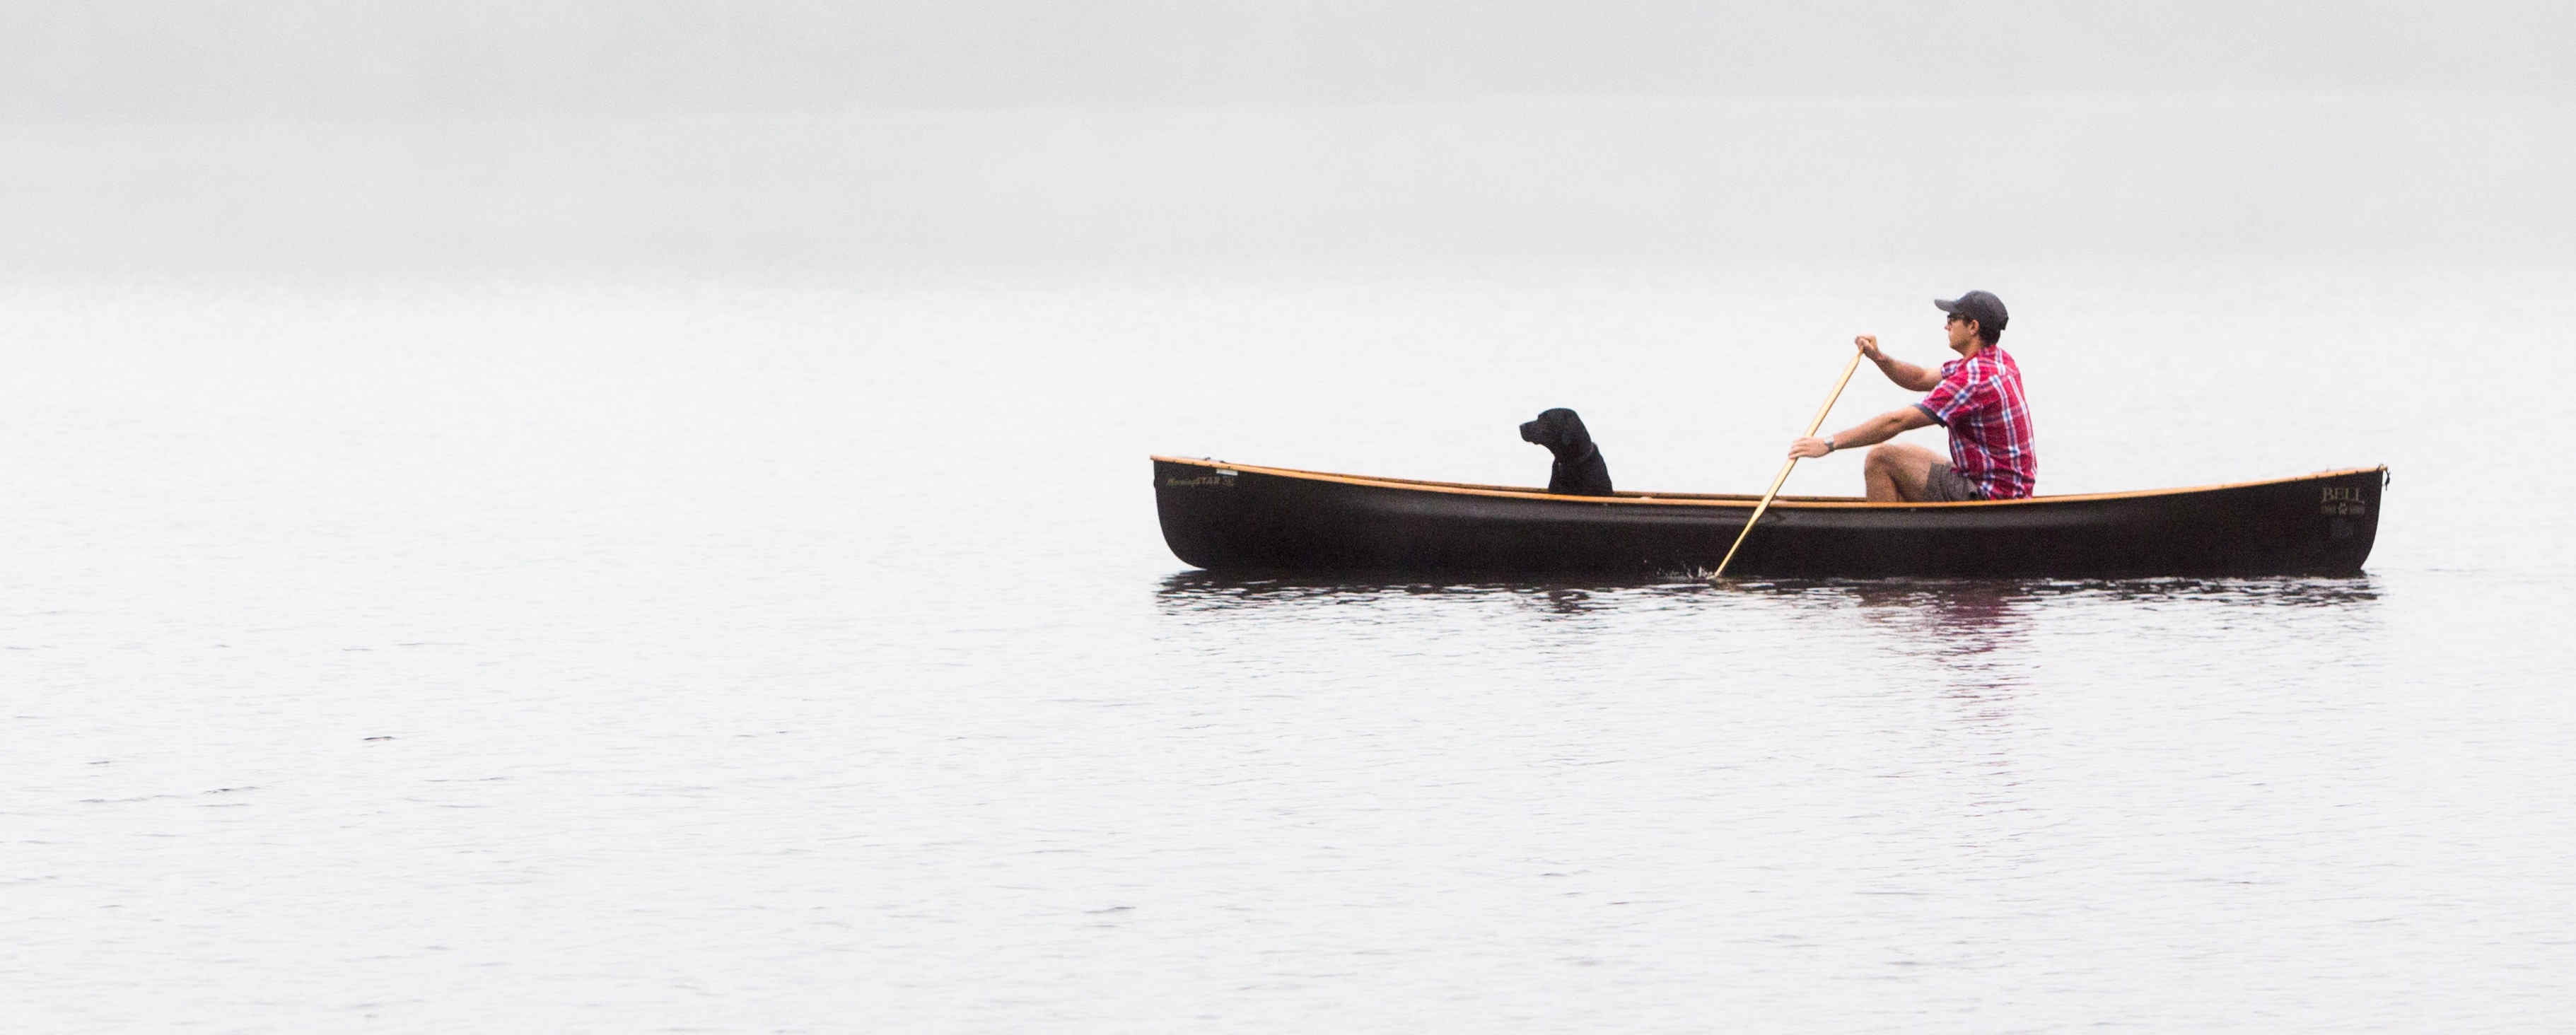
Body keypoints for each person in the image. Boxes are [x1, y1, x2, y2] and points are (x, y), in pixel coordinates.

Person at [1787, 290, 2034, 501]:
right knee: (1900, 467)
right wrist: (1879, 357)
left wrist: (1828, 444)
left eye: (1952, 319)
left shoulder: (1973, 379)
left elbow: (1897, 422)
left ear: (1973, 327)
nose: (1946, 325)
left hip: (1991, 497)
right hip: (2005, 488)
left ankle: (1886, 551)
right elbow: (1919, 378)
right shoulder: (1998, 360)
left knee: (1881, 459)